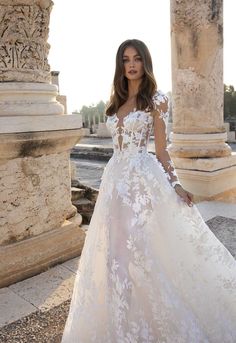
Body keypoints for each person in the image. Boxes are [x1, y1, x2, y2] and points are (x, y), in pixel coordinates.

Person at [61, 39, 236, 343]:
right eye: (126, 59)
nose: (131, 64)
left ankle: (155, 320)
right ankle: (121, 319)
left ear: (145, 62)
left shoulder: (156, 100)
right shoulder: (114, 103)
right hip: (114, 182)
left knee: (141, 249)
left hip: (142, 183)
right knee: (114, 254)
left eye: (137, 58)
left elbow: (162, 150)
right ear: (121, 65)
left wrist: (177, 184)